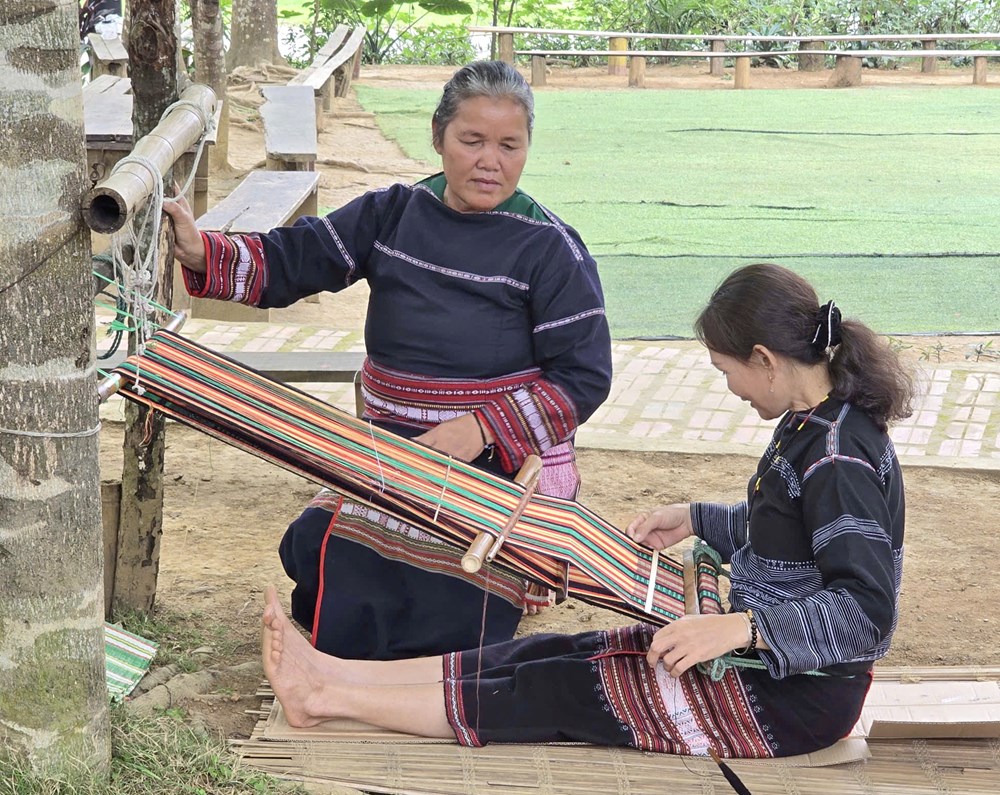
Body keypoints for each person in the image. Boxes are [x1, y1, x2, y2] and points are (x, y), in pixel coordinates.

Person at [258, 262, 913, 759]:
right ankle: (334, 672)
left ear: (765, 360)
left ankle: (326, 696)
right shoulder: (812, 422)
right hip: (763, 665)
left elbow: (866, 612)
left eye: (724, 371)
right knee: (552, 653)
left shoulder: (836, 453)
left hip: (788, 697)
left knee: (560, 690)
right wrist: (698, 517)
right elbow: (790, 529)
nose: (730, 389)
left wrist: (738, 628)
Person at [163, 60, 612, 660]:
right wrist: (201, 250)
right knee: (320, 551)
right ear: (438, 136)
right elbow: (297, 260)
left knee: (451, 607)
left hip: (494, 464)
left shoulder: (551, 248)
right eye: (471, 140)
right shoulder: (392, 214)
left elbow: (583, 377)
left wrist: (478, 429)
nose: (490, 161)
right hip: (393, 452)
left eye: (510, 145)